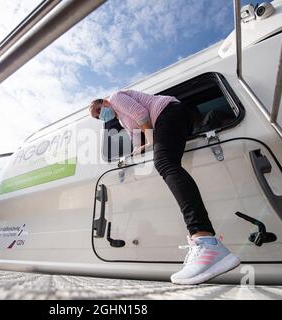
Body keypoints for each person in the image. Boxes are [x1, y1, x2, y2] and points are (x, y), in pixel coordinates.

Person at [89, 90, 241, 285]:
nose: (99, 116)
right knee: (166, 162)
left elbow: (141, 114)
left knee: (165, 163)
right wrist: (138, 151)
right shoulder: (120, 120)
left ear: (104, 102)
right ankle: (204, 241)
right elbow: (136, 135)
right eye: (96, 117)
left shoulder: (116, 98)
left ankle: (206, 241)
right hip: (170, 118)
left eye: (98, 110)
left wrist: (152, 141)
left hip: (168, 112)